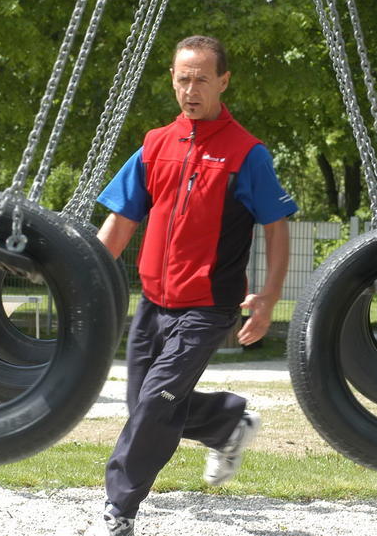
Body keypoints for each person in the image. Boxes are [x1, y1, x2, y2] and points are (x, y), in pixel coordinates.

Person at [88, 35, 298, 536]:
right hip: (153, 303)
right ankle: (227, 421)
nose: (191, 88)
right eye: (183, 78)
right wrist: (86, 276)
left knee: (156, 403)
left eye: (202, 78)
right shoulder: (155, 143)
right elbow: (120, 222)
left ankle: (119, 510)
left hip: (207, 306)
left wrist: (268, 297)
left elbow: (276, 225)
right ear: (172, 79)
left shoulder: (247, 153)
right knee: (147, 406)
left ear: (224, 81)